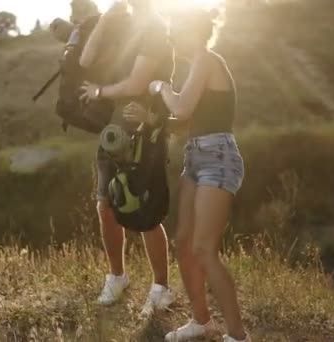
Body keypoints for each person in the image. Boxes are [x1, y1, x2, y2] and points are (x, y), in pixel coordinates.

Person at [122, 5, 251, 342]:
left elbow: (179, 106)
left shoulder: (208, 60)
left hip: (218, 157)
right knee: (183, 243)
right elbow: (185, 122)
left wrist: (161, 87)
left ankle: (238, 336)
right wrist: (150, 121)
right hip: (195, 156)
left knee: (205, 249)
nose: (172, 38)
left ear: (192, 31)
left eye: (176, 32)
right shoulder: (198, 67)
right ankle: (201, 321)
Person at [77, 0, 176, 314]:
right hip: (113, 131)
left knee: (143, 209)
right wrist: (105, 20)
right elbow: (85, 60)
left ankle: (161, 288)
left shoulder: (156, 29)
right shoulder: (122, 26)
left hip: (143, 132)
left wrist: (99, 93)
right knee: (105, 203)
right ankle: (117, 276)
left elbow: (137, 83)